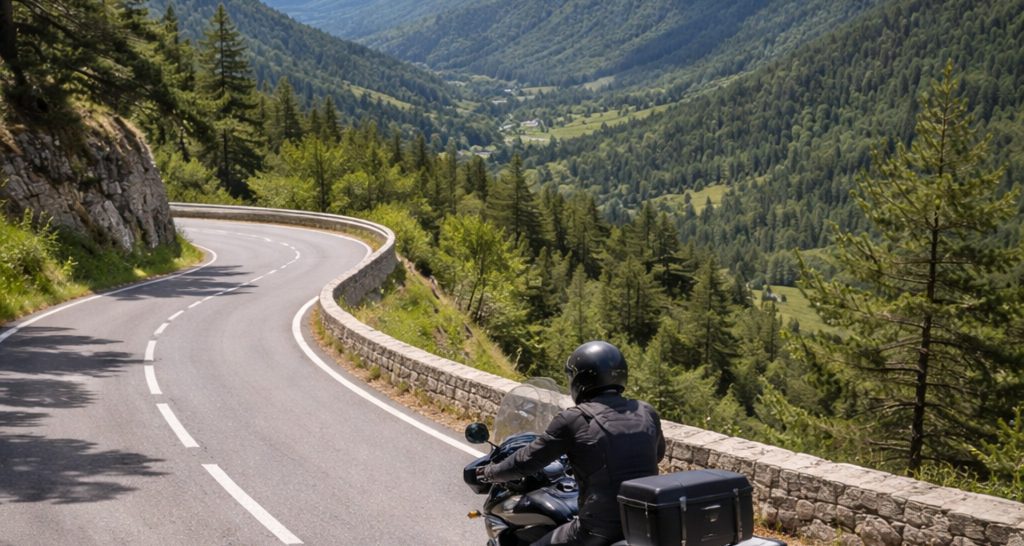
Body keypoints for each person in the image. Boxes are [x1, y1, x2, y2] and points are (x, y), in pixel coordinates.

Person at [479, 341, 666, 546]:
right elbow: (656, 455)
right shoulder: (646, 412)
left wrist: (489, 473)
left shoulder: (574, 418)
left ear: (581, 379)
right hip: (645, 526)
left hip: (598, 530)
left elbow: (527, 461)